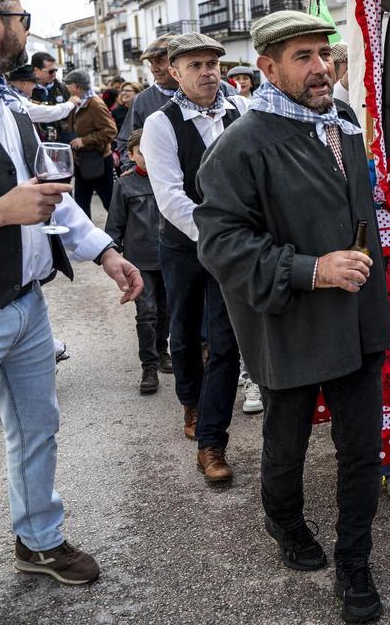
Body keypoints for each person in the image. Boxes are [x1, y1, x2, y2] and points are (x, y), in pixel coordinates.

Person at [195, 11, 390, 624]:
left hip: (357, 317)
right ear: (267, 67)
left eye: (324, 54)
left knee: (361, 447)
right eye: (303, 57)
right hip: (292, 322)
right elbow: (221, 241)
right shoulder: (241, 143)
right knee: (288, 441)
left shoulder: (343, 123)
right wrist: (312, 269)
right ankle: (284, 520)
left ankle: (354, 559)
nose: (320, 68)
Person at [0, 0, 143, 625]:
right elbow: (12, 206)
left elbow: (50, 197)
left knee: (39, 431)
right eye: (20, 17)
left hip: (26, 307)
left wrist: (106, 250)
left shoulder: (8, 103)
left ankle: (38, 540)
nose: (24, 27)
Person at [140, 33, 246, 484]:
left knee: (226, 340)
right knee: (182, 330)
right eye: (195, 65)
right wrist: (215, 235)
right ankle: (190, 398)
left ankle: (210, 443)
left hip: (233, 246)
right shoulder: (160, 125)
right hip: (184, 245)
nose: (207, 71)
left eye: (212, 63)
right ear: (175, 72)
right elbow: (170, 196)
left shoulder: (241, 111)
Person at [104, 128, 171, 394]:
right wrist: (113, 253)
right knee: (147, 312)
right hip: (140, 260)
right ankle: (149, 366)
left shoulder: (169, 179)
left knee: (166, 311)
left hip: (168, 257)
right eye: (140, 151)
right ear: (131, 154)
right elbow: (115, 225)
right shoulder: (125, 183)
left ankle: (162, 351)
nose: (146, 156)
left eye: (150, 150)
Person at [113, 34, 177, 170]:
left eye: (159, 61)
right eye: (151, 63)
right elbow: (126, 142)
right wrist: (134, 169)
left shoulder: (217, 91)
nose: (154, 69)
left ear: (178, 61)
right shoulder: (142, 100)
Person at [61, 69, 117, 218]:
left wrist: (84, 141)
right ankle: (87, 239)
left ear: (77, 87)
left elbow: (111, 131)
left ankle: (125, 235)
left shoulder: (95, 104)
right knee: (80, 203)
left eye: (69, 84)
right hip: (83, 161)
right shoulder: (78, 101)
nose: (66, 87)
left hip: (98, 161)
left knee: (109, 201)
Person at [6, 63, 81, 126]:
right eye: (34, 82)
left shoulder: (10, 96)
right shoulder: (16, 102)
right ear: (24, 84)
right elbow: (48, 113)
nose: (35, 86)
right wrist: (70, 103)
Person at [29, 51, 71, 142]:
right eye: (51, 71)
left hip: (62, 142)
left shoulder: (62, 88)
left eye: (56, 70)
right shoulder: (27, 91)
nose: (54, 74)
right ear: (36, 70)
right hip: (38, 142)